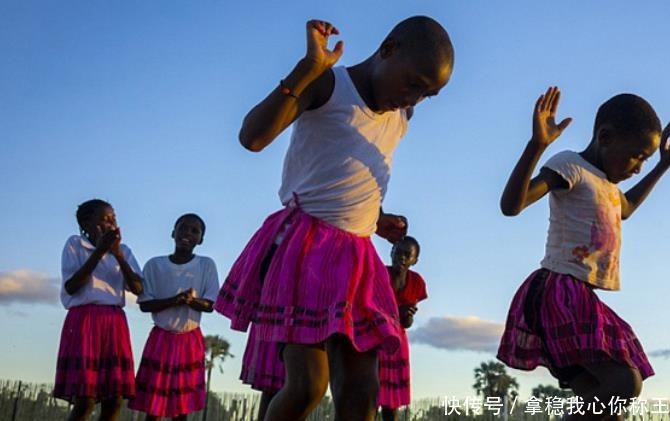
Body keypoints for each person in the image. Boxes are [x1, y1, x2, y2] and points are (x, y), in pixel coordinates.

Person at [215, 16, 454, 420]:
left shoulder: (400, 116)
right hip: (306, 248)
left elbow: (346, 171)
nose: (414, 99)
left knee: (362, 391)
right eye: (413, 84)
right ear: (388, 49)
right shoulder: (329, 86)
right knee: (308, 385)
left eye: (428, 94)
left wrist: (376, 218)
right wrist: (307, 70)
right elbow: (252, 137)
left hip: (358, 257)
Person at [498, 87, 670, 418]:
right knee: (625, 383)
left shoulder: (609, 186)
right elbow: (512, 205)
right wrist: (537, 146)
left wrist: (661, 168)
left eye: (645, 160)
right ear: (605, 137)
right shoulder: (571, 167)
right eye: (636, 156)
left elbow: (628, 208)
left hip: (581, 297)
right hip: (559, 293)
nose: (637, 167)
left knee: (609, 407)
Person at [54, 199, 143, 421]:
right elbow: (72, 286)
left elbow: (138, 288)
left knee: (115, 398)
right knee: (86, 398)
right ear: (87, 223)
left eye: (114, 219)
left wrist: (118, 255)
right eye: (104, 219)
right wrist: (99, 251)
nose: (111, 224)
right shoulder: (75, 245)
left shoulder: (123, 251)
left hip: (114, 322)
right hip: (84, 321)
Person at [129, 213, 219, 421]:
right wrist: (174, 300)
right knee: (153, 407)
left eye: (194, 231)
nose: (187, 233)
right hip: (161, 338)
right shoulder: (154, 265)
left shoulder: (206, 265)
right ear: (173, 232)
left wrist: (189, 301)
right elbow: (145, 305)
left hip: (190, 339)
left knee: (181, 408)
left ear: (201, 239)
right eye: (183, 228)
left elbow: (210, 304)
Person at [378, 236, 427, 420]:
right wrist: (398, 312)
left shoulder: (416, 283)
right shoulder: (379, 275)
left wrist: (407, 315)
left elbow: (406, 324)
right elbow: (370, 310)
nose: (402, 258)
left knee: (391, 403)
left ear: (415, 260)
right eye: (398, 253)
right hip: (376, 339)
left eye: (408, 255)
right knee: (370, 396)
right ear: (391, 252)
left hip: (397, 343)